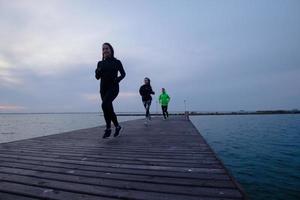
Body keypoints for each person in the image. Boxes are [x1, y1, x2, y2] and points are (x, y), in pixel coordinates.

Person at [95, 43, 126, 138]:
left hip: (113, 88)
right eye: (103, 49)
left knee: (104, 105)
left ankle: (108, 128)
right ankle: (117, 126)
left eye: (107, 48)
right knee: (108, 109)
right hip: (103, 89)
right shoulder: (100, 63)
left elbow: (123, 74)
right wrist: (98, 71)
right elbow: (97, 77)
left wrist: (117, 80)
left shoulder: (117, 62)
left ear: (111, 50)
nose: (105, 50)